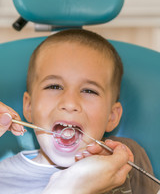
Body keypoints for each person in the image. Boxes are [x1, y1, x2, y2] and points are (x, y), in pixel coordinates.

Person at [0, 29, 159, 194]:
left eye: (89, 91)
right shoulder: (3, 179)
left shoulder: (127, 160)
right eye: (54, 86)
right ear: (29, 107)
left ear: (112, 116)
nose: (70, 103)